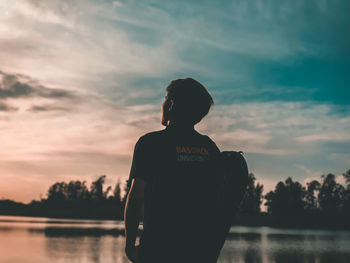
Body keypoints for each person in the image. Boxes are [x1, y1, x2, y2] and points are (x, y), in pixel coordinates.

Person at [124, 78, 221, 263]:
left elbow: (136, 197)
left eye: (165, 98)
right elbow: (216, 202)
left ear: (171, 104)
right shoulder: (209, 148)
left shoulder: (150, 143)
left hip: (157, 249)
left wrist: (130, 245)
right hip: (198, 252)